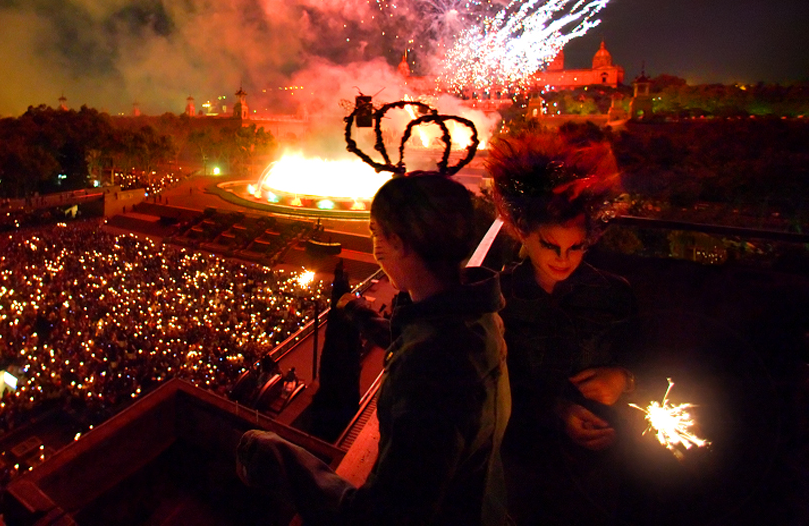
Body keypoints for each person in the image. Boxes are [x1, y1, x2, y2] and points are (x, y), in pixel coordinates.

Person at [236, 172, 509, 525]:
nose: (374, 247)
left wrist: (274, 455)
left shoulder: (432, 369)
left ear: (398, 242)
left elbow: (384, 515)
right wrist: (360, 314)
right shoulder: (477, 317)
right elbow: (420, 336)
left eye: (376, 234)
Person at [485, 130, 639, 525]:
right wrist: (556, 410)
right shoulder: (498, 298)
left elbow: (648, 359)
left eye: (575, 247)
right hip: (524, 464)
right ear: (523, 232)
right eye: (550, 246)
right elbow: (491, 386)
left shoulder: (614, 294)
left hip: (599, 468)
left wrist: (624, 379)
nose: (563, 259)